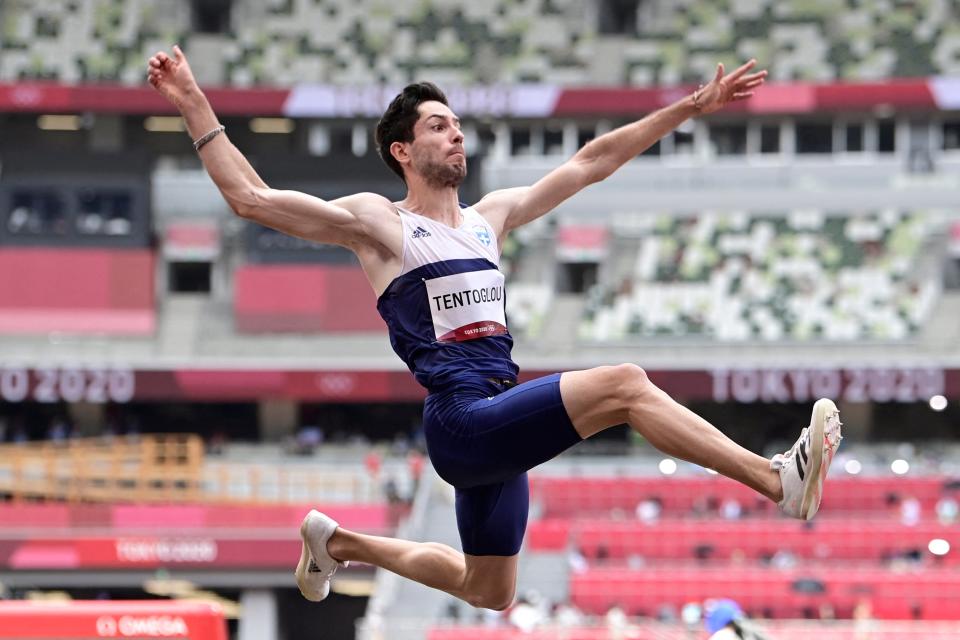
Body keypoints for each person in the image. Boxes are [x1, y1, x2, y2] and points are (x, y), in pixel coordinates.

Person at [147, 46, 844, 611]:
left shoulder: (489, 219)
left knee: (491, 590)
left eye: (457, 125)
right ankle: (775, 479)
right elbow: (251, 198)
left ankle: (340, 544)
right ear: (402, 151)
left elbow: (590, 163)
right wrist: (189, 98)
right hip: (461, 420)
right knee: (626, 385)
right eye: (438, 126)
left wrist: (690, 108)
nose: (457, 135)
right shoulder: (381, 225)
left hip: (493, 419)